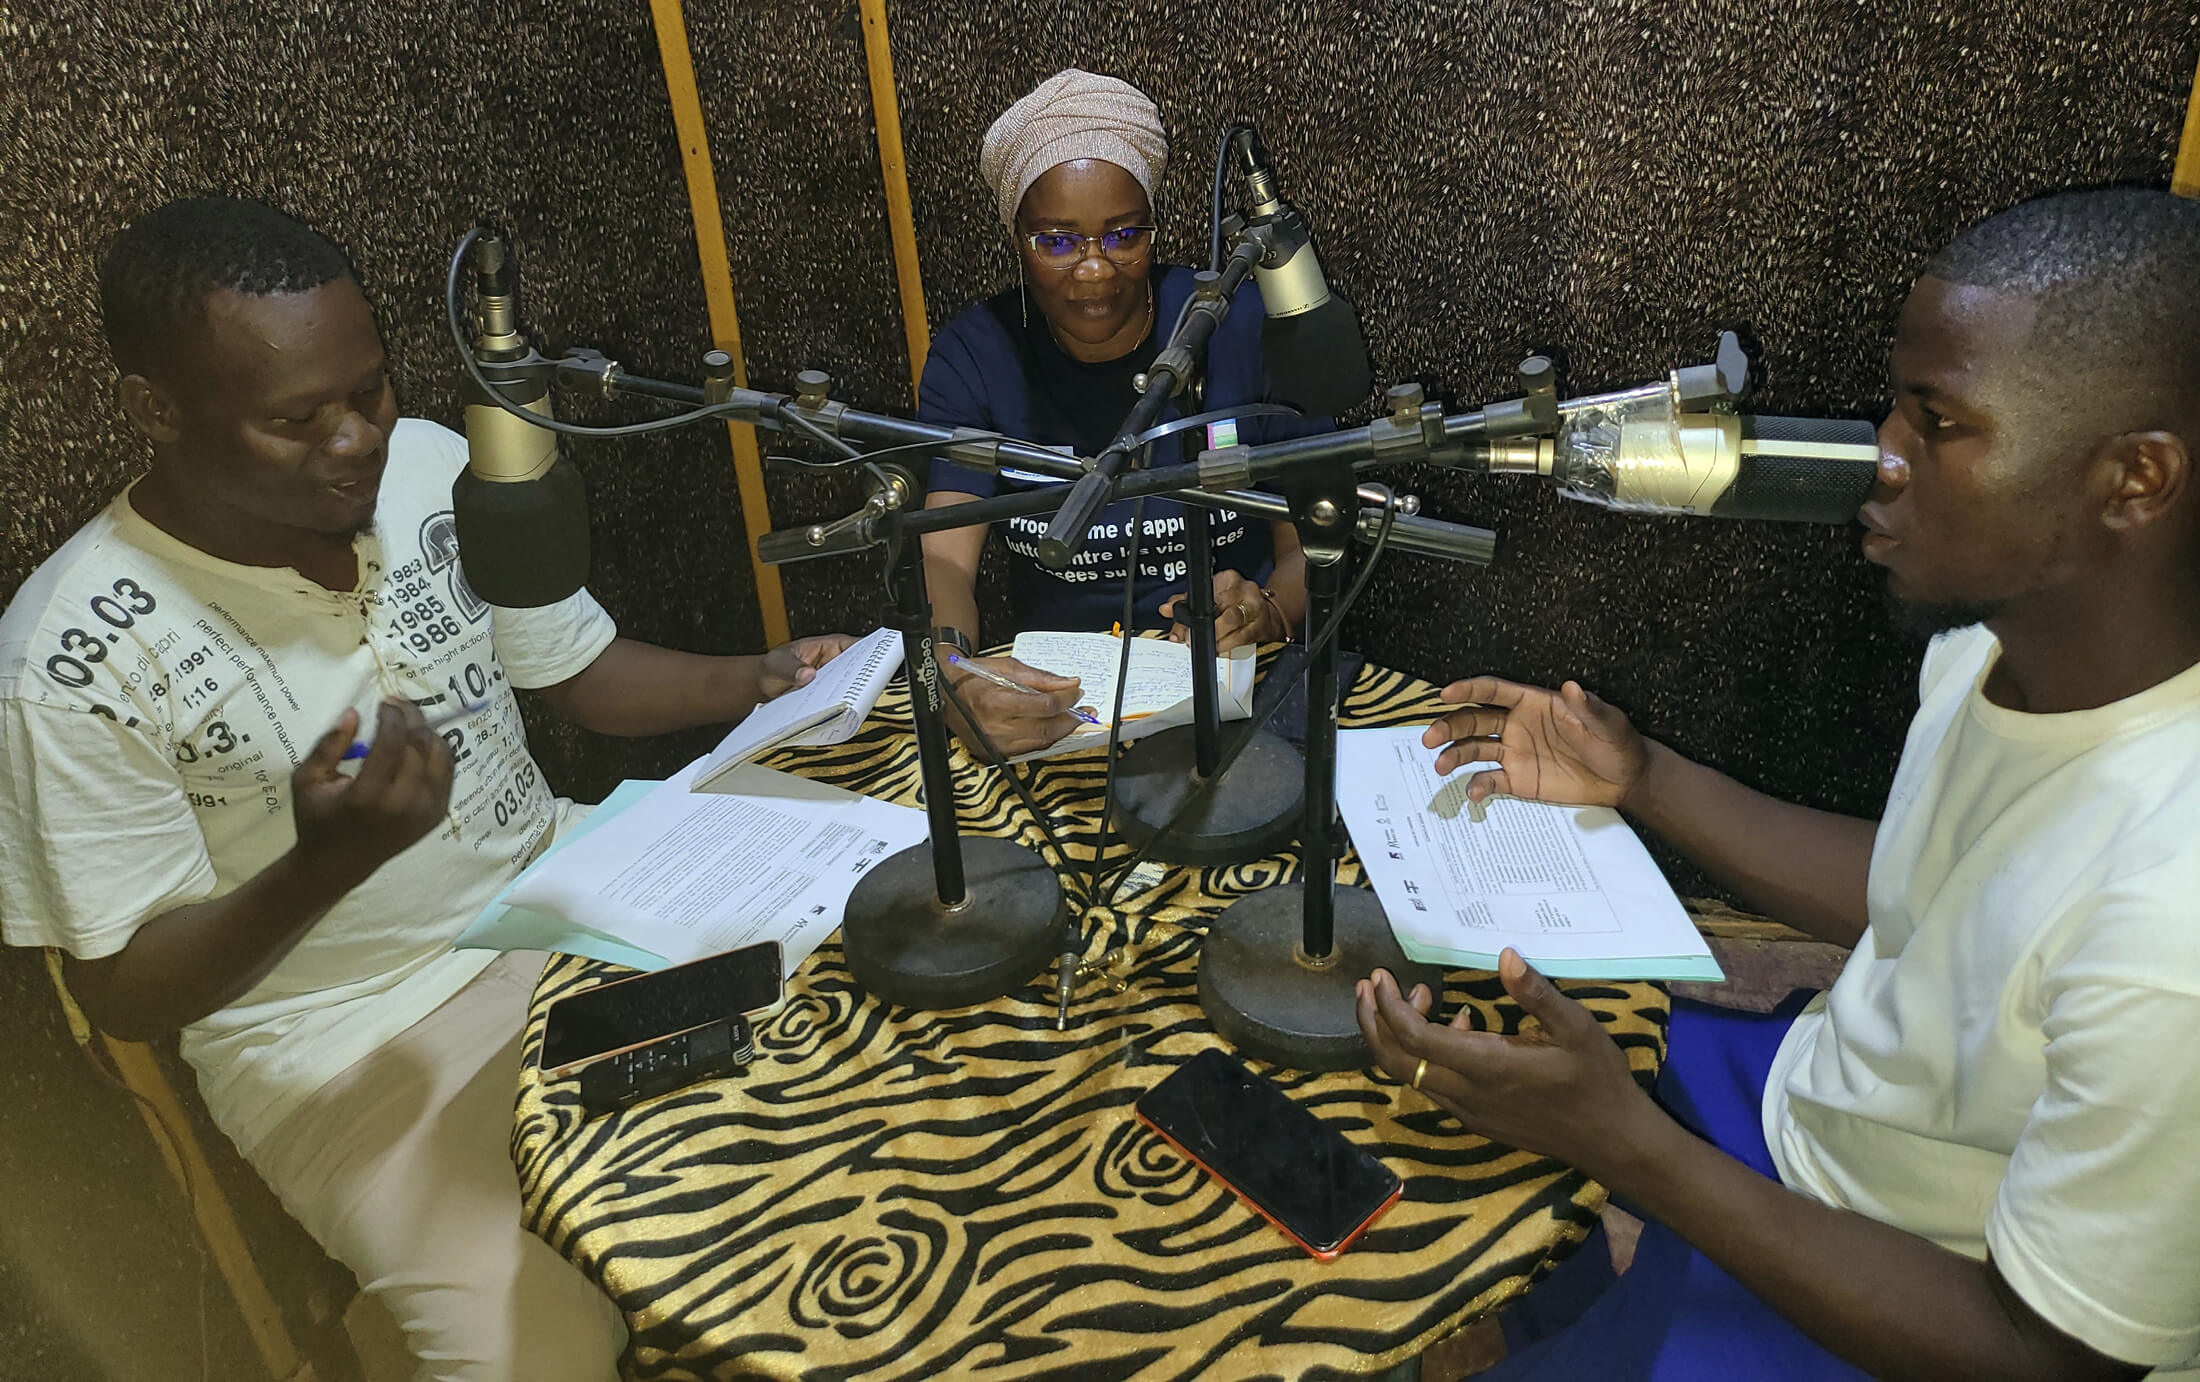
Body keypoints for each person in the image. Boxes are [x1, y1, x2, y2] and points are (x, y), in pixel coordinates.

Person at [0, 196, 852, 1382]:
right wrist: (323, 861)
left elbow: (579, 672)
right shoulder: (71, 656)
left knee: (865, 1051)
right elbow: (124, 990)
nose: (356, 441)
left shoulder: (443, 471)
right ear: (155, 408)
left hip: (566, 887)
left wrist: (757, 679)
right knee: (541, 1352)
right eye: (296, 419)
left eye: (371, 392)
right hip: (342, 1038)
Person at [1361, 186, 2200, 1381]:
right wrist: (1639, 777)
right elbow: (1926, 895)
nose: (1880, 456)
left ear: (2134, 478)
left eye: (1934, 421)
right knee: (1474, 1058)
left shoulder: (2175, 935)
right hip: (1820, 1103)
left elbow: (2043, 1359)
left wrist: (1630, 1147)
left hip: (1932, 1296)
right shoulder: (1991, 652)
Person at [917, 69, 1328, 757]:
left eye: (1123, 235)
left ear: (1153, 230)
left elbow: (1310, 545)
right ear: (1016, 237)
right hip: (1061, 703)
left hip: (1240, 691)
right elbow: (944, 563)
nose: (1093, 270)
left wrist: (1268, 611)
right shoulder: (975, 354)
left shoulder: (1237, 324)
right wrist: (951, 677)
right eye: (1055, 241)